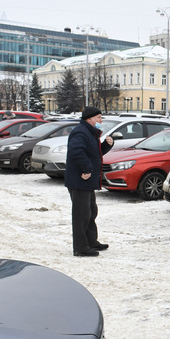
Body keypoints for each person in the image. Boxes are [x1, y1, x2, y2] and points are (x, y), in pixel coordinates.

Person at [65, 106, 114, 257]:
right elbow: (76, 151)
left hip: (87, 181)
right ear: (89, 118)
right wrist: (86, 169)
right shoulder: (81, 132)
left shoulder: (91, 133)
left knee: (91, 211)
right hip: (80, 180)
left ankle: (91, 241)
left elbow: (93, 153)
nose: (101, 120)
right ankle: (80, 247)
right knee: (81, 215)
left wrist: (107, 145)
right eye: (98, 117)